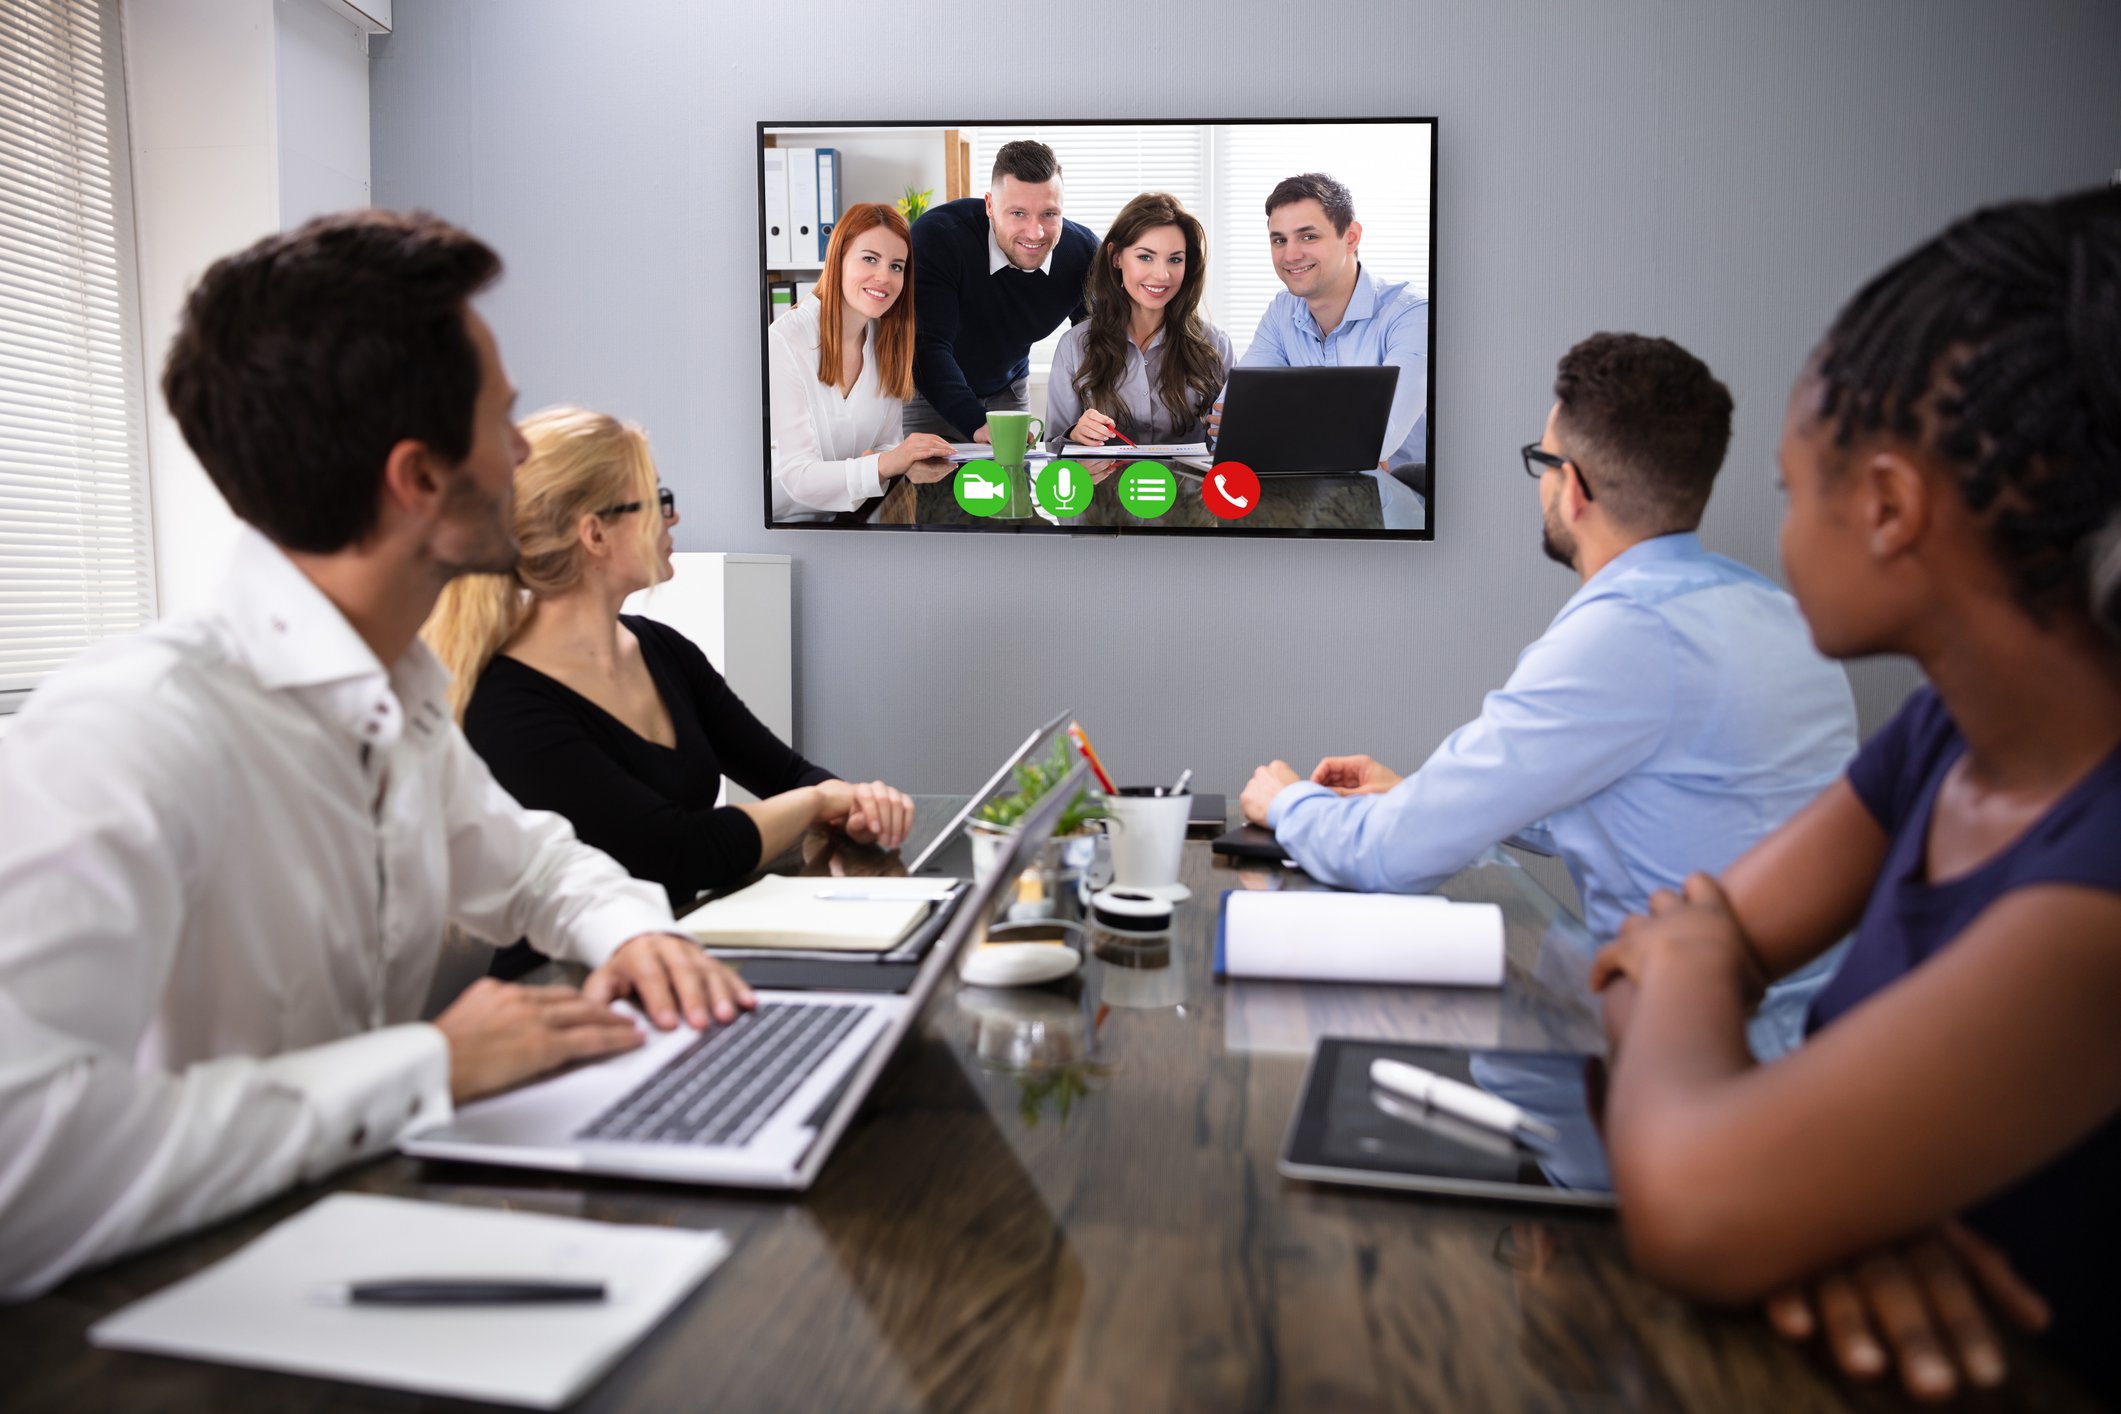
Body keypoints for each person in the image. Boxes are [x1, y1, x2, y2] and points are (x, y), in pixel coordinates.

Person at [0, 211, 754, 1298]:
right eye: (500, 420)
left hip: (346, 1234)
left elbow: (533, 864)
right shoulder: (131, 734)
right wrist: (427, 1066)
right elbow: (21, 1166)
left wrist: (633, 932)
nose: (524, 452)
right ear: (418, 479)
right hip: (172, 1305)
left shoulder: (395, 693)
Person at [1590, 188, 2121, 1404]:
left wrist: (1704, 990)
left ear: (1886, 506)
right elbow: (1627, 970)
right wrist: (1831, 1203)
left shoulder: (2104, 882)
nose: (1778, 533)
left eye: (1789, 490)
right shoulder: (1942, 739)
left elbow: (1695, 1196)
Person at [1240, 333, 1858, 1060]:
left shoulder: (1622, 636)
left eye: (1541, 460)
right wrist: (1425, 796)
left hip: (1685, 1059)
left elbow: (1389, 859)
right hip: (1801, 1044)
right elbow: (1664, 809)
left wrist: (1287, 802)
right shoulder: (1780, 616)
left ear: (1575, 488)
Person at [427, 405, 916, 979]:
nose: (674, 515)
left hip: (674, 960)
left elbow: (785, 772)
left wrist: (850, 807)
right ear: (594, 533)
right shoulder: (507, 705)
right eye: (657, 501)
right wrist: (816, 804)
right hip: (564, 990)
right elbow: (683, 851)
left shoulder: (660, 648)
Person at [768, 201, 955, 518]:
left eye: (896, 266)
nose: (884, 277)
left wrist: (901, 463)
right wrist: (883, 464)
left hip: (844, 522)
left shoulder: (887, 340)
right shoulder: (785, 340)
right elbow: (797, 475)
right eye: (870, 259)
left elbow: (886, 445)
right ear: (838, 259)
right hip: (779, 526)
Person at [904, 140, 1096, 442]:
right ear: (990, 206)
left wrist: (1092, 417)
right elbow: (927, 345)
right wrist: (975, 422)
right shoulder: (937, 239)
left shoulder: (1084, 253)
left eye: (1049, 214)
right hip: (929, 389)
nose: (1035, 232)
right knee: (929, 473)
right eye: (1018, 213)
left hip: (1007, 386)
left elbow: (1097, 343)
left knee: (1013, 472)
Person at [1044, 191, 1232, 468]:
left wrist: (1235, 430)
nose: (1162, 275)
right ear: (1116, 257)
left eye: (1175, 259)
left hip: (1188, 495)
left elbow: (1230, 453)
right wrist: (1074, 434)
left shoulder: (1214, 344)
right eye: (1145, 257)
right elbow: (1053, 452)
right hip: (1105, 495)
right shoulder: (1075, 346)